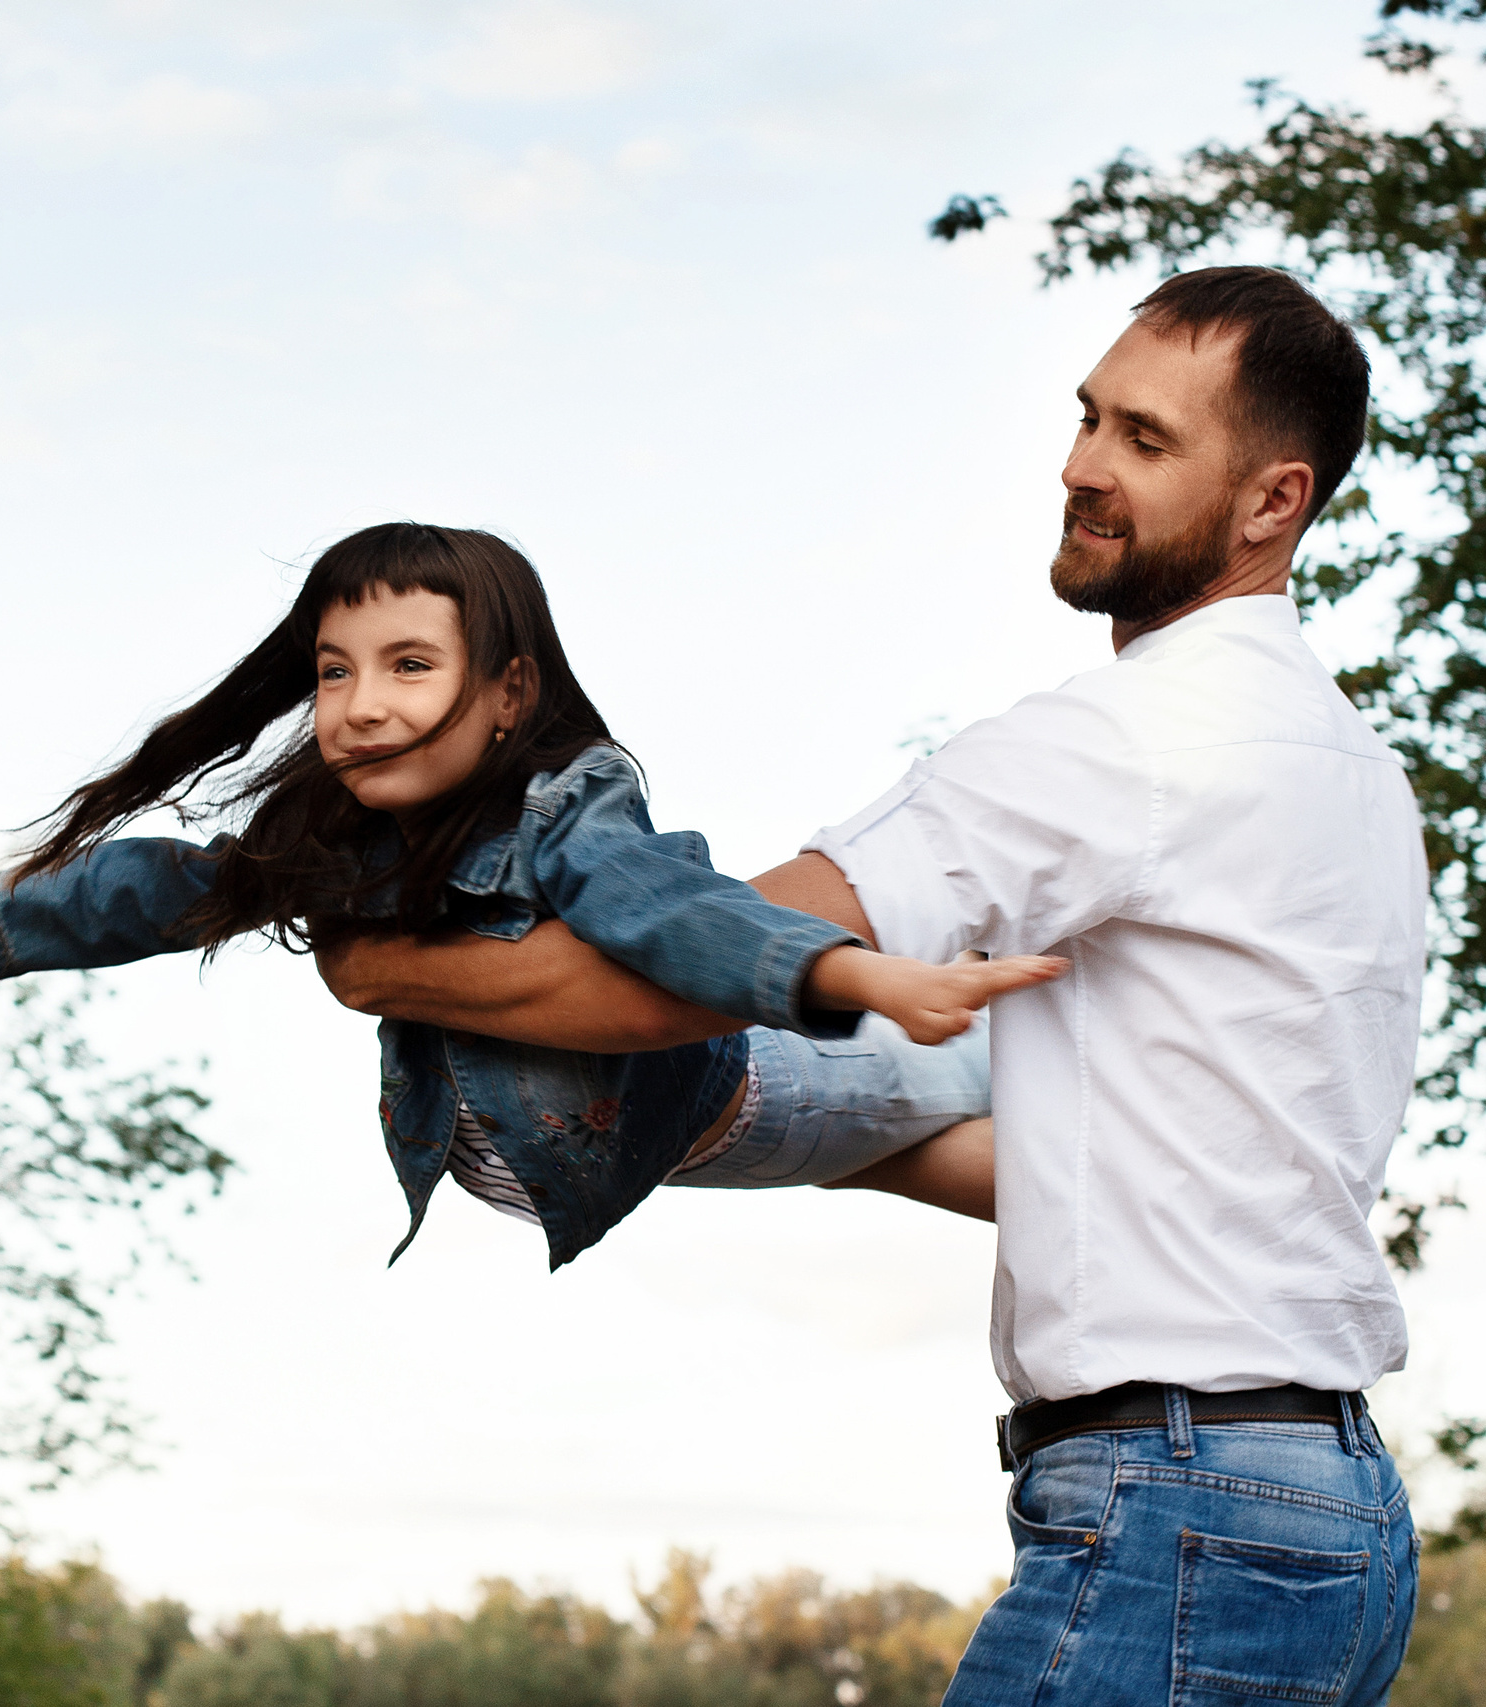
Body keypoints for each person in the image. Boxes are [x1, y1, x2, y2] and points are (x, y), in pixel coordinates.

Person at [316, 268, 1426, 1702]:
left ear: (1275, 502)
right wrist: (795, 1126)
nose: (1084, 467)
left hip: (1181, 1521)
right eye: (1090, 419)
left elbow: (689, 969)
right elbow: (1150, 1176)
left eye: (1146, 443)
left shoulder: (1132, 742)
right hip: (1327, 1526)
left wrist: (380, 967)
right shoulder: (1351, 773)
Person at [0, 523, 1059, 1270]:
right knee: (981, 1151)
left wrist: (862, 975)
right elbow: (133, 895)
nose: (361, 705)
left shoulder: (567, 806)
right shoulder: (335, 845)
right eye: (336, 671)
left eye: (410, 666)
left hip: (756, 1082)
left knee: (1010, 1103)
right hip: (676, 1146)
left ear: (507, 694)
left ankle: (1103, 1057)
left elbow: (667, 915)